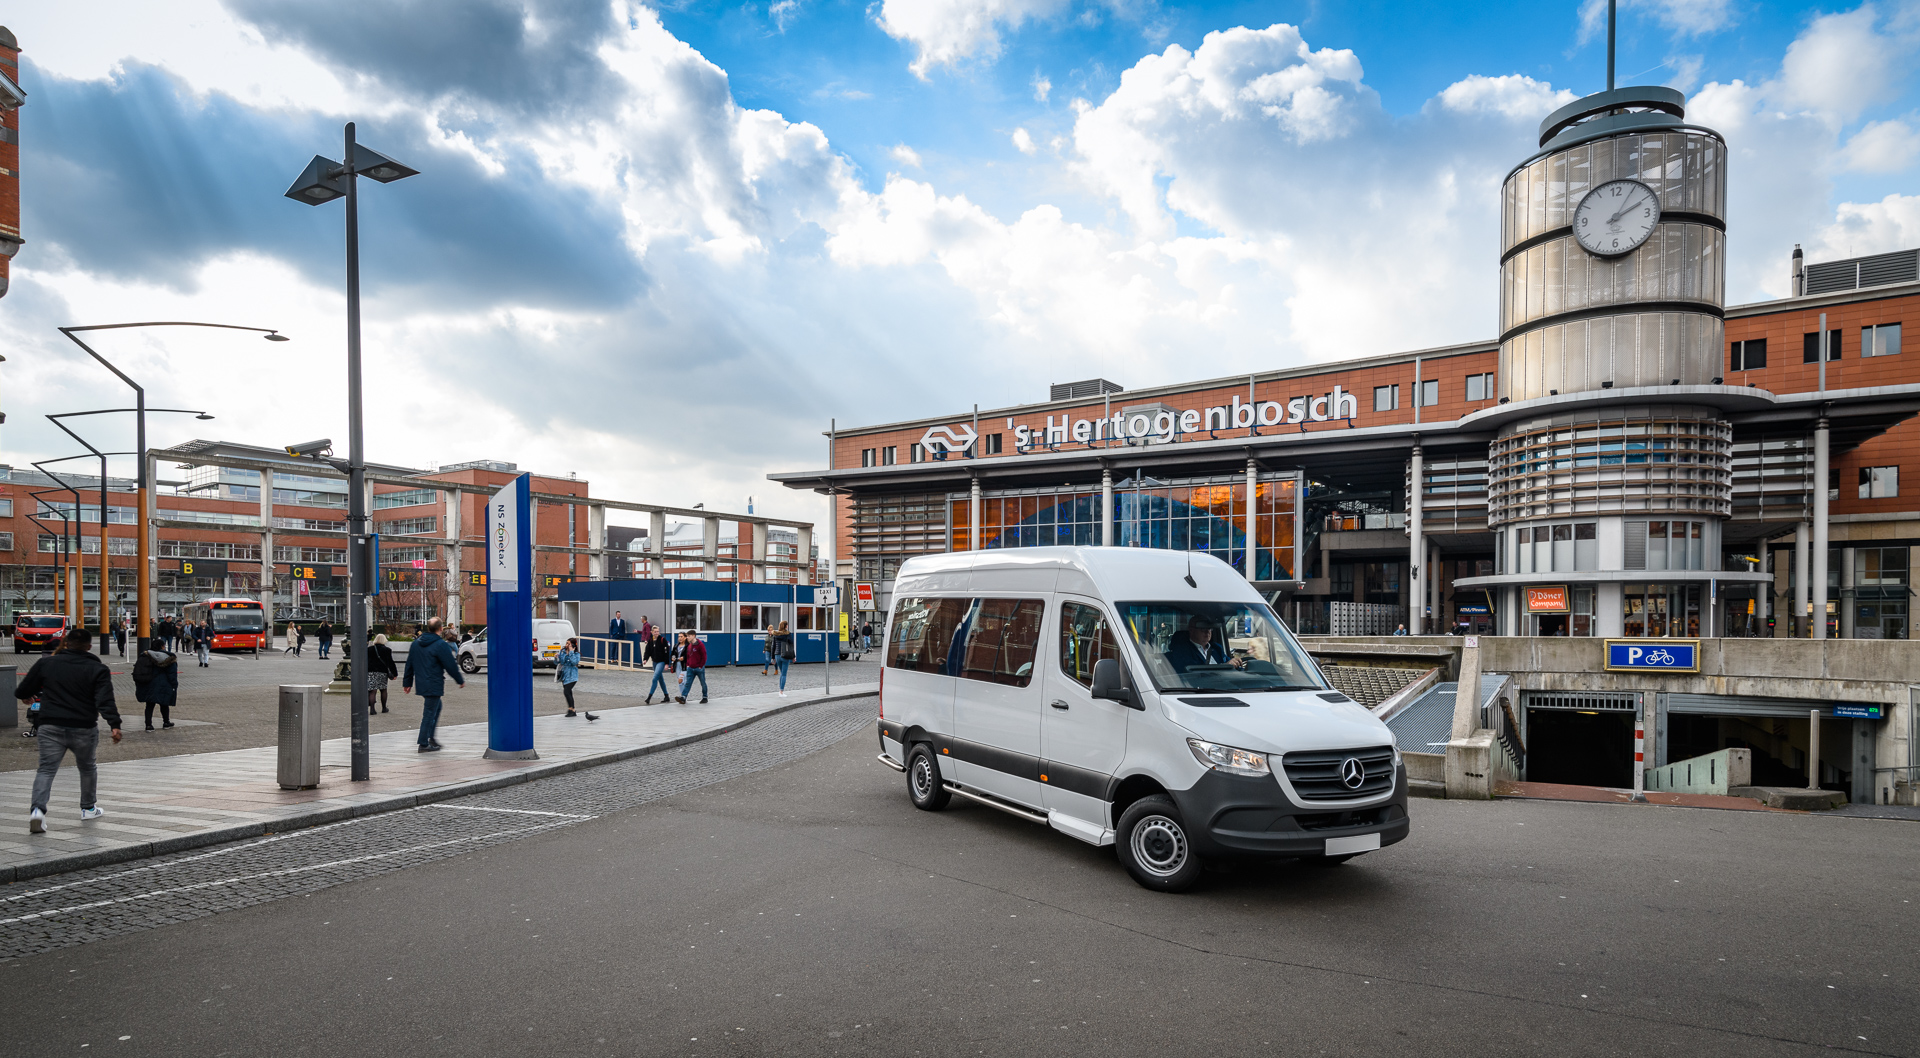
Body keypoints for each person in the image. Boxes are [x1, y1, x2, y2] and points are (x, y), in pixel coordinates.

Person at [16, 627, 122, 833]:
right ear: (89, 647)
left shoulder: (46, 663)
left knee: (46, 769)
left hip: (50, 725)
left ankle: (37, 811)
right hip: (83, 727)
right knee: (87, 767)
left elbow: (23, 689)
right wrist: (114, 725)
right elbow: (105, 700)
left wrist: (27, 696)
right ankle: (88, 808)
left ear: (65, 643)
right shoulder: (97, 669)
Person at [401, 616, 465, 752]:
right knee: (429, 713)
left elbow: (409, 663)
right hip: (434, 682)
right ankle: (424, 743)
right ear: (441, 629)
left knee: (436, 707)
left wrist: (407, 682)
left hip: (422, 682)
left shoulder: (416, 643)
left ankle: (431, 737)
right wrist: (459, 680)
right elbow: (450, 665)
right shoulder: (440, 644)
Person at [1164, 617, 1245, 673]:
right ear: (1191, 630)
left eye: (1209, 628)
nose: (1207, 632)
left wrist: (1237, 664)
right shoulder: (1182, 651)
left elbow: (1229, 663)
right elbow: (1195, 673)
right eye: (1203, 628)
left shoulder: (1216, 648)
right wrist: (1225, 667)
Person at [133, 643, 179, 730]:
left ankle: (148, 725)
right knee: (164, 704)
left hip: (149, 683)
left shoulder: (145, 656)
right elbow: (172, 674)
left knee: (149, 705)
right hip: (163, 684)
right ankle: (166, 722)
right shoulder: (168, 658)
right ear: (162, 646)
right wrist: (174, 684)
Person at [557, 638, 597, 720]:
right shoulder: (563, 651)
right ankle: (571, 709)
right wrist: (556, 658)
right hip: (564, 674)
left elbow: (574, 662)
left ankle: (572, 709)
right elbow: (560, 662)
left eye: (569, 644)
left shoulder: (576, 654)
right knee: (569, 692)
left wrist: (571, 652)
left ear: (573, 645)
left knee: (566, 691)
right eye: (566, 643)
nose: (567, 645)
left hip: (572, 675)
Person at [674, 630, 708, 704]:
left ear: (693, 636)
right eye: (687, 636)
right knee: (688, 683)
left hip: (699, 668)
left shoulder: (700, 645)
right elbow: (688, 656)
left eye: (689, 636)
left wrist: (701, 665)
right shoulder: (689, 646)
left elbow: (704, 656)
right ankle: (683, 697)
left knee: (703, 683)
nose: (687, 638)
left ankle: (705, 697)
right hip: (690, 668)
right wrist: (688, 664)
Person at [368, 633, 398, 714]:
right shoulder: (387, 650)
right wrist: (395, 674)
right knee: (383, 690)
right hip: (382, 672)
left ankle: (372, 710)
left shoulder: (369, 649)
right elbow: (390, 663)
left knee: (372, 691)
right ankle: (384, 708)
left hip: (371, 672)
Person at [643, 631, 672, 704]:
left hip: (661, 662)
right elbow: (648, 651)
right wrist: (645, 659)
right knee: (660, 679)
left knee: (655, 677)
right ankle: (666, 696)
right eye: (655, 632)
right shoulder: (650, 641)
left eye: (658, 631)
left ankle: (649, 697)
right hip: (654, 662)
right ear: (652, 632)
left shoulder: (662, 640)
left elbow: (666, 652)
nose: (656, 633)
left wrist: (666, 663)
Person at [767, 620, 794, 698]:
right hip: (785, 655)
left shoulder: (775, 634)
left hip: (777, 655)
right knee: (784, 674)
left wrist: (772, 657)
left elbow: (773, 646)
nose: (787, 626)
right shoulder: (788, 634)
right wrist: (793, 656)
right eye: (787, 625)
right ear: (785, 626)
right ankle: (781, 691)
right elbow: (791, 645)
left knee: (782, 673)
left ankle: (780, 691)